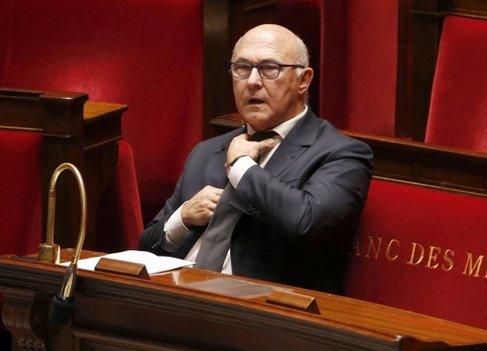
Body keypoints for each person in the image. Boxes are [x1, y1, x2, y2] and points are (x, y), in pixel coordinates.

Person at [139, 24, 373, 294]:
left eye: (269, 68)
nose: (252, 81)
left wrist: (242, 168)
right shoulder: (206, 152)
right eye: (242, 68)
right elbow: (146, 247)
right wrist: (183, 218)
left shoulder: (341, 154)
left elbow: (306, 222)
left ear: (304, 80)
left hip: (265, 313)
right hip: (176, 300)